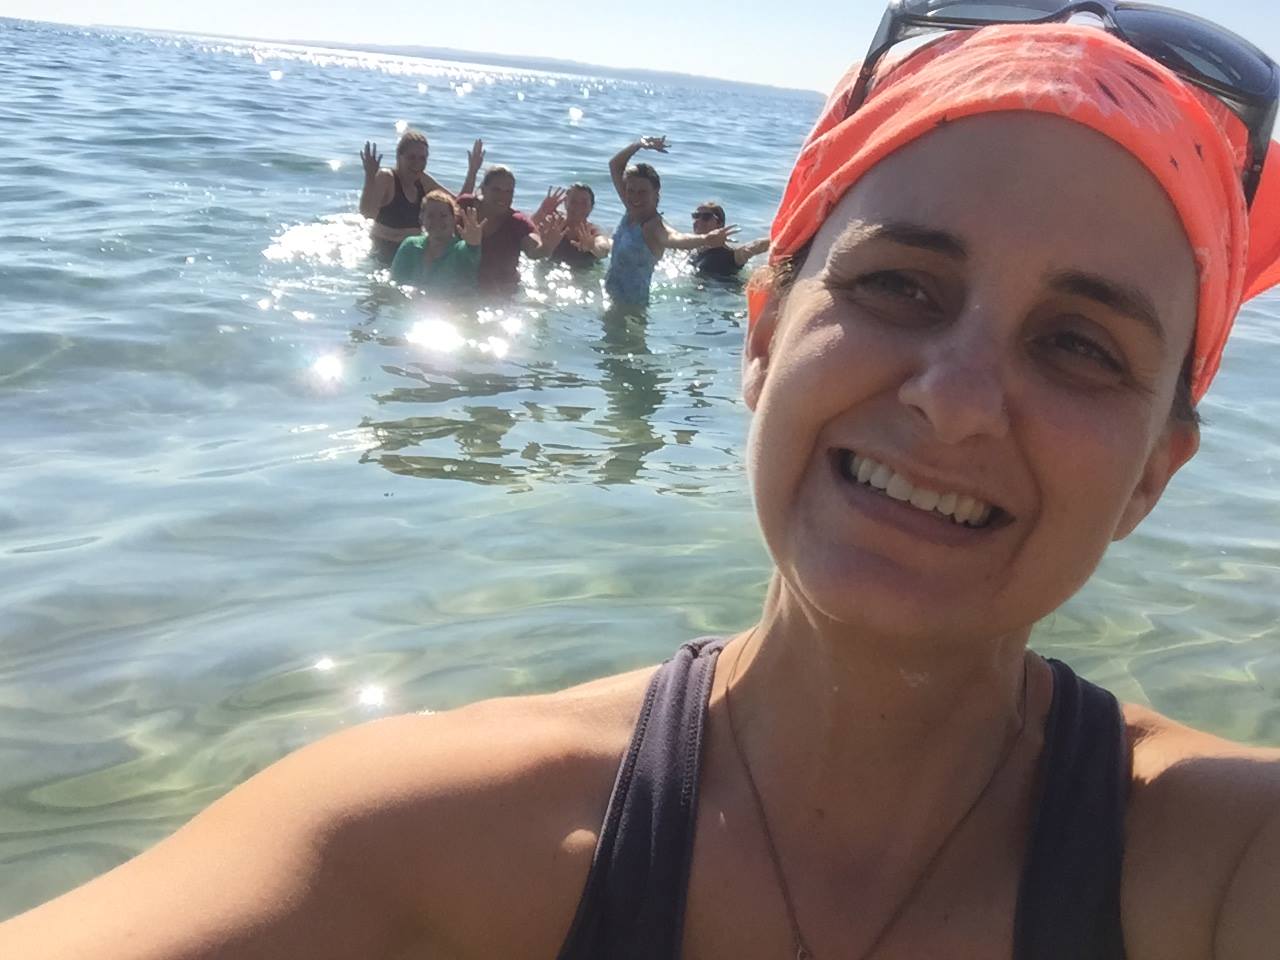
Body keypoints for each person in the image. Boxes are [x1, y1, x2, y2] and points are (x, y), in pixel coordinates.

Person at [5, 9, 1280, 960]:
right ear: (761, 335)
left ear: (1152, 473)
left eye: (1078, 346)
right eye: (900, 284)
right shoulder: (425, 836)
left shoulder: (1225, 862)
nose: (953, 399)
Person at [603, 136, 737, 308]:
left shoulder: (653, 226)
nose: (635, 197)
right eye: (631, 191)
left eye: (642, 192)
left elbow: (674, 238)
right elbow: (614, 165)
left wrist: (705, 239)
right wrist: (638, 145)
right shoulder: (632, 210)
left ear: (655, 192)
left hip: (631, 311)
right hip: (609, 299)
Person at [358, 132, 483, 263]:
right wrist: (370, 177)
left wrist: (472, 171)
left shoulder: (423, 181)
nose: (417, 163)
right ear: (399, 157)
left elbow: (457, 205)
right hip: (384, 253)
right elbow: (367, 212)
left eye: (422, 158)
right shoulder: (387, 178)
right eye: (411, 157)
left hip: (413, 254)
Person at [457, 162, 566, 296]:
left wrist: (547, 247)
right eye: (496, 190)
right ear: (483, 189)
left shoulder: (517, 222)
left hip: (500, 291)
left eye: (509, 191)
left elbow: (533, 251)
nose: (503, 196)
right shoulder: (466, 206)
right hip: (462, 284)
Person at [388, 190, 482, 294]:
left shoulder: (461, 251)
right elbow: (394, 282)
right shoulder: (410, 246)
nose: (437, 221)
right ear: (421, 218)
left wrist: (474, 244)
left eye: (443, 215)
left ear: (454, 218)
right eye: (430, 216)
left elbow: (472, 254)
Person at [689, 202, 769, 279]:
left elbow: (756, 245)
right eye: (696, 216)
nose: (698, 220)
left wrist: (775, 240)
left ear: (720, 223)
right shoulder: (692, 251)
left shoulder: (730, 256)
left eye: (706, 217)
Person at [549, 182, 609, 267]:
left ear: (591, 207)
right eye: (573, 201)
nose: (578, 207)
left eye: (584, 203)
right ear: (565, 203)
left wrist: (592, 247)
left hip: (584, 273)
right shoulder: (554, 225)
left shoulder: (593, 231)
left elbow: (604, 250)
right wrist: (543, 212)